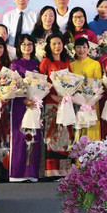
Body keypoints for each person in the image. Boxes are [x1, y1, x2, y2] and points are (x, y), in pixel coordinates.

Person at [39, 33, 73, 177]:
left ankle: (64, 171)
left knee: (65, 137)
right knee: (52, 136)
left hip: (65, 105)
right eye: (53, 44)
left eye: (59, 43)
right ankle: (51, 172)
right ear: (48, 46)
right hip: (51, 104)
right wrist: (53, 96)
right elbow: (40, 84)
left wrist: (66, 96)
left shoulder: (66, 62)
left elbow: (72, 82)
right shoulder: (46, 62)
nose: (57, 46)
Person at [8, 34, 41, 181]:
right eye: (23, 44)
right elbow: (12, 86)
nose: (27, 47)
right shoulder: (14, 65)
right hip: (19, 106)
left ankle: (31, 172)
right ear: (19, 47)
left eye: (29, 44)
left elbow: (41, 85)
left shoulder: (36, 64)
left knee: (33, 137)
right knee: (19, 137)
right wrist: (24, 100)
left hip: (34, 104)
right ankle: (18, 173)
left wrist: (35, 98)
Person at [69, 37, 103, 141]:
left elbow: (98, 83)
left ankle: (93, 154)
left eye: (84, 47)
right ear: (74, 49)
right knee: (78, 126)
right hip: (77, 102)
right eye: (78, 47)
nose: (81, 50)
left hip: (91, 102)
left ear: (88, 49)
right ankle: (77, 155)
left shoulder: (95, 64)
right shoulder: (71, 65)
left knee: (91, 125)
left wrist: (91, 100)